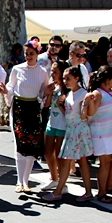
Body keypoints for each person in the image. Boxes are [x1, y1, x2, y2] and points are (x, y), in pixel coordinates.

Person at [42, 66, 94, 203]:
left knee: (75, 161)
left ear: (77, 78)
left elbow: (84, 116)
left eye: (68, 78)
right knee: (78, 161)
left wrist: (86, 105)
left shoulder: (83, 94)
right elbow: (69, 115)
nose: (65, 81)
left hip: (78, 130)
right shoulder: (71, 93)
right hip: (71, 129)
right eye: (64, 78)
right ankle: (84, 192)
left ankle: (60, 191)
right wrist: (60, 106)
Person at [6, 39, 49, 193]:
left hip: (33, 108)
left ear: (37, 54)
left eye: (32, 54)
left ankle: (26, 180)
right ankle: (19, 180)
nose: (29, 56)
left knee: (31, 145)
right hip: (19, 108)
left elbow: (44, 91)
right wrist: (8, 95)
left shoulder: (42, 72)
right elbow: (10, 86)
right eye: (26, 54)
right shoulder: (17, 69)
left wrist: (44, 98)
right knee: (19, 143)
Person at [87, 66, 112, 203]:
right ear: (107, 80)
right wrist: (89, 102)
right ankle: (101, 192)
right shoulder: (98, 94)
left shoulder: (110, 92)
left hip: (111, 133)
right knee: (105, 163)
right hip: (101, 133)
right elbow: (91, 113)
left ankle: (108, 186)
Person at [42, 60, 69, 191]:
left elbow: (69, 111)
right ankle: (54, 178)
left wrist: (61, 103)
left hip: (62, 126)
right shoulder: (53, 86)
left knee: (59, 155)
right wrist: (48, 94)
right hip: (51, 123)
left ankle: (62, 183)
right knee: (47, 153)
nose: (52, 74)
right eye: (51, 71)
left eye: (55, 72)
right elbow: (47, 105)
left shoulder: (67, 89)